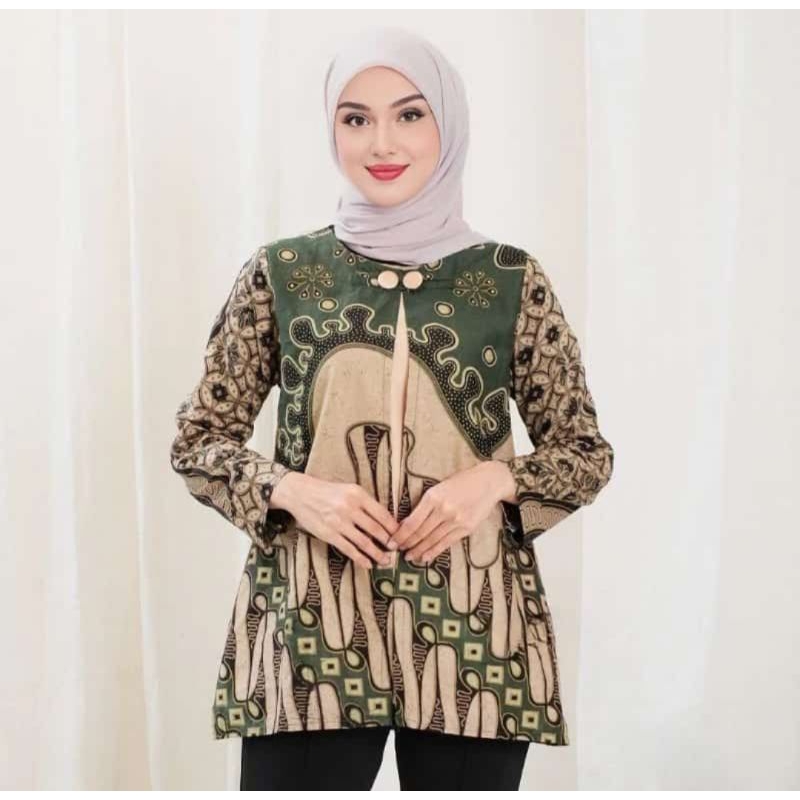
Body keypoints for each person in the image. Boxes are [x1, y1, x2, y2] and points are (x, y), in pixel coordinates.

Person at [169, 24, 614, 791]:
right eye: (356, 118)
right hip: (311, 632)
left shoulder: (510, 280)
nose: (382, 141)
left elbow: (584, 454)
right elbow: (198, 441)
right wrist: (292, 489)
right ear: (331, 129)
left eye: (409, 113)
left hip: (472, 642)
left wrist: (495, 481)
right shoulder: (283, 274)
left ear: (449, 124)